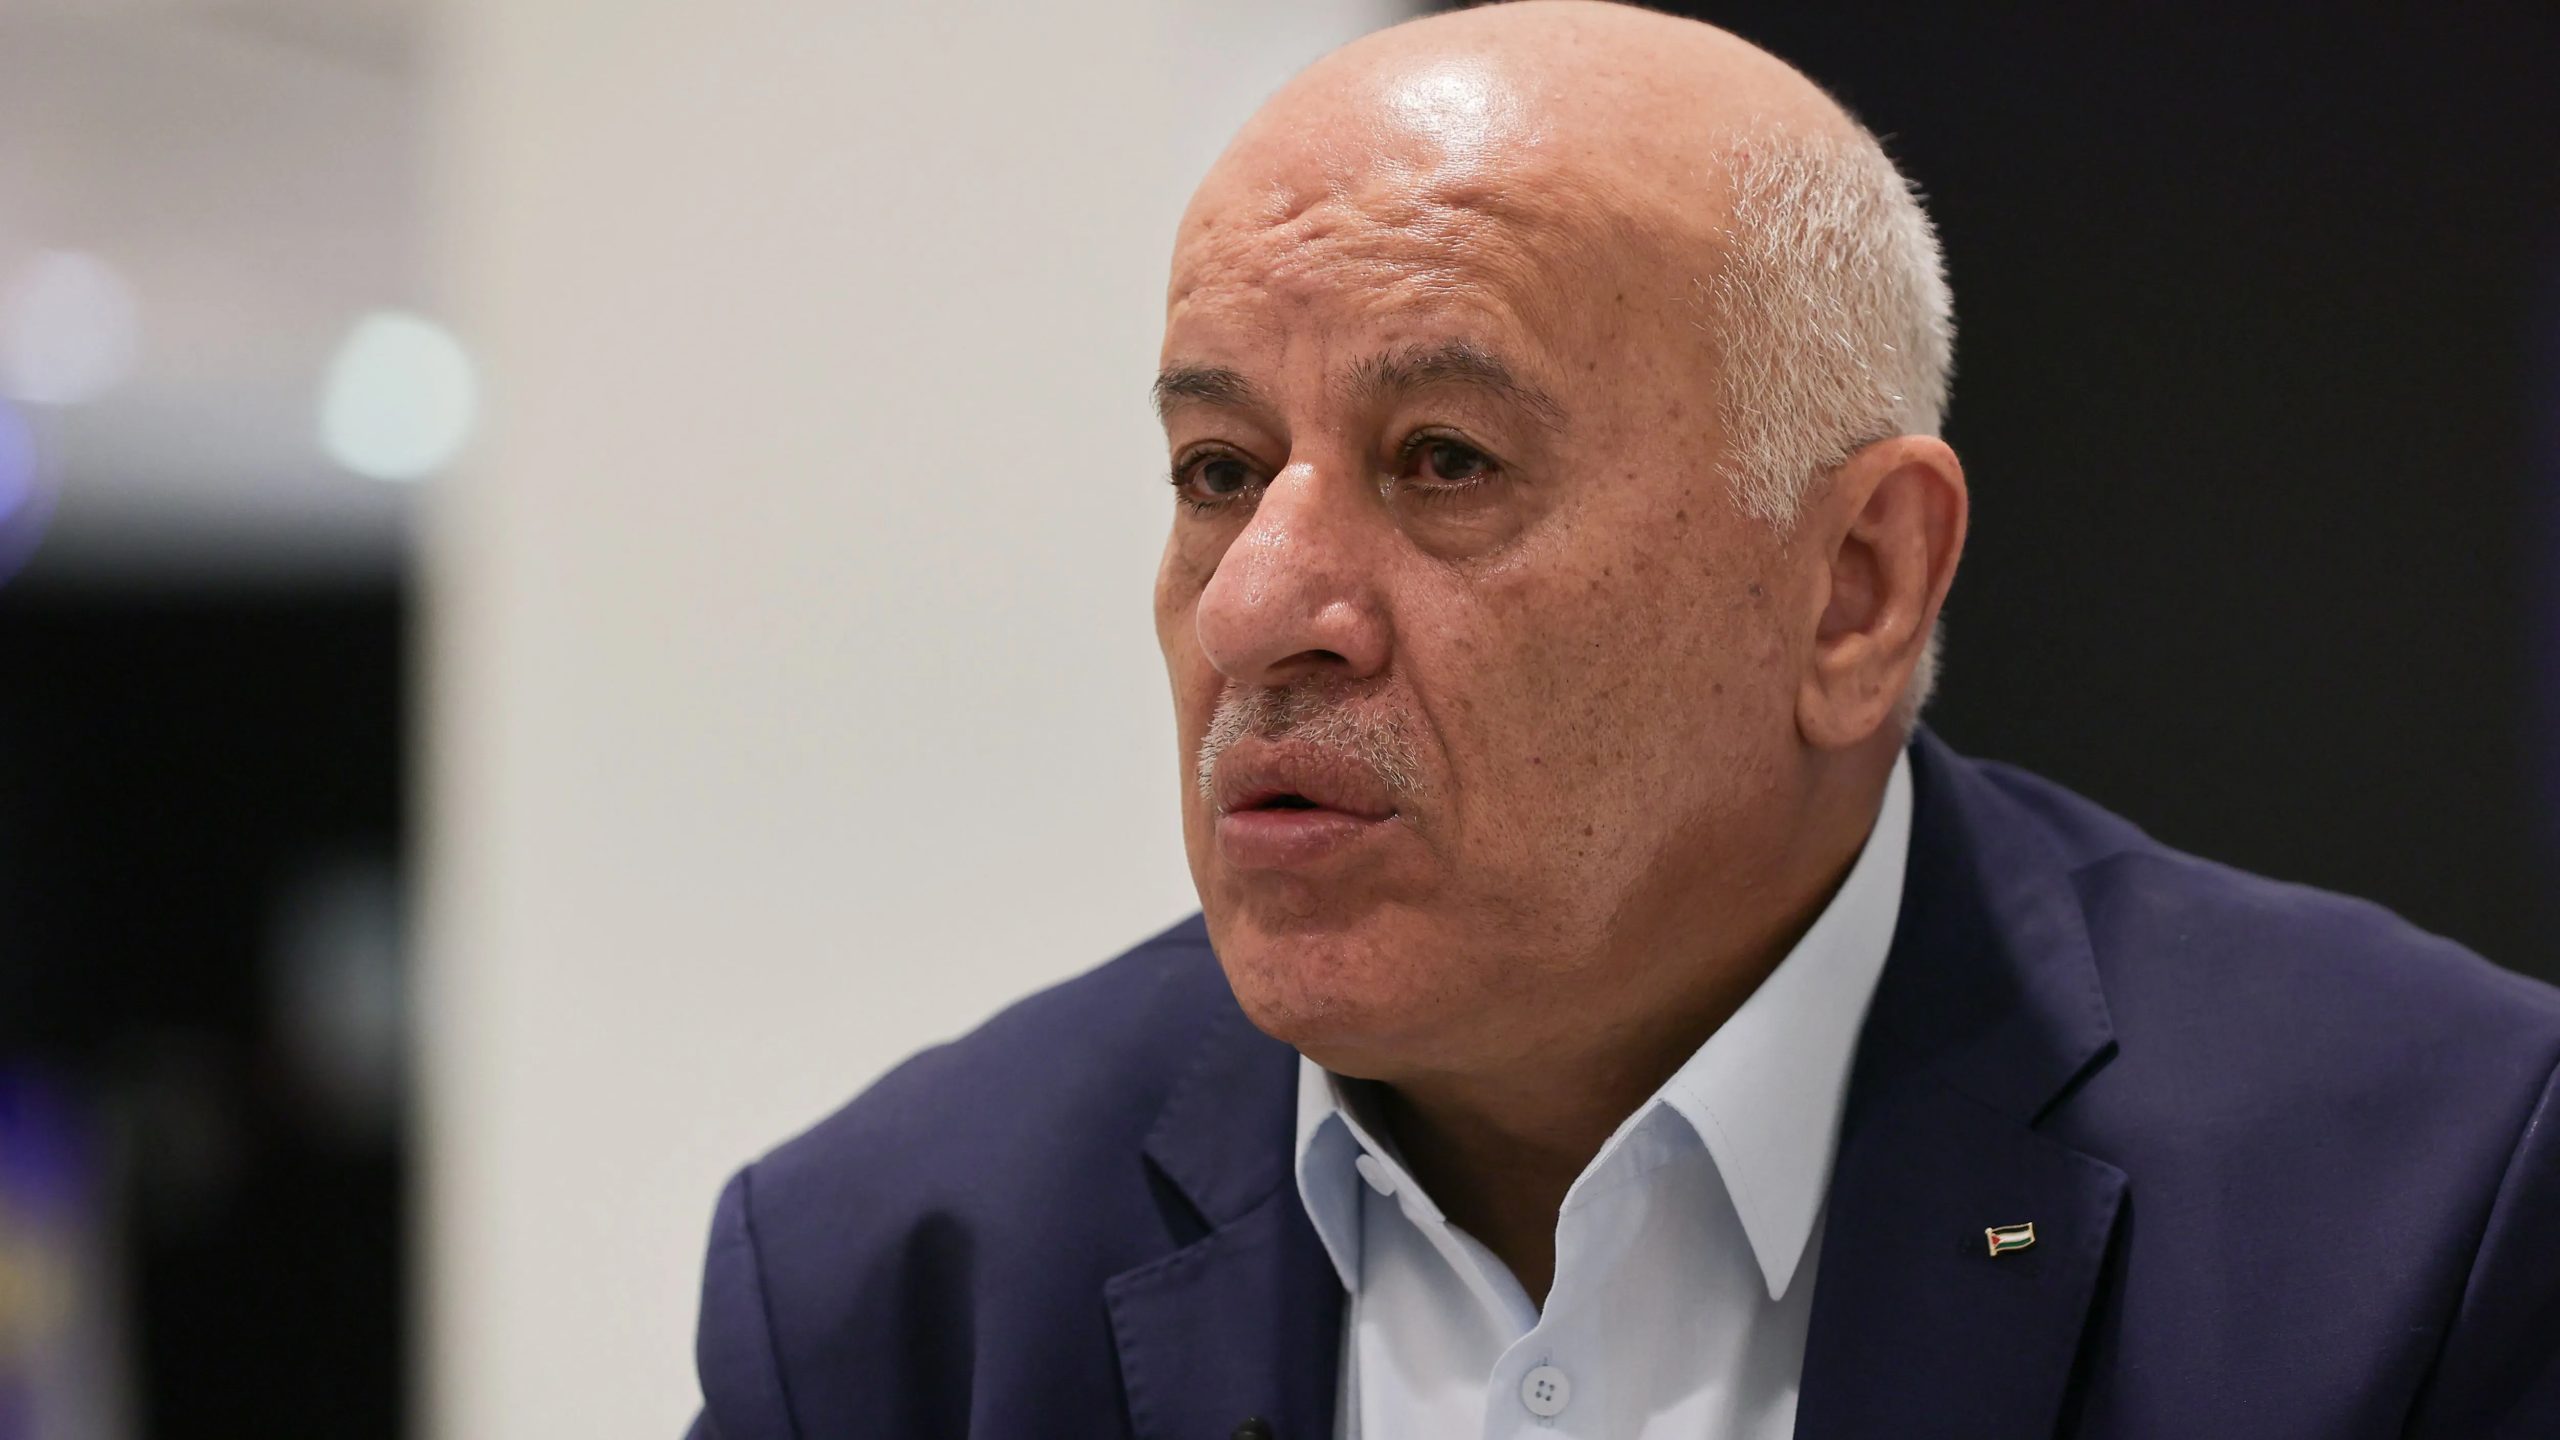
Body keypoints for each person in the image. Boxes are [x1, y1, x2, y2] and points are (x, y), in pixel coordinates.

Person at [685, 4, 2560, 1436]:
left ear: (1857, 587)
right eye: (1217, 469)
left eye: (1444, 459)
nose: (1256, 609)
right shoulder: (896, 1292)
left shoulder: (2425, 1211)